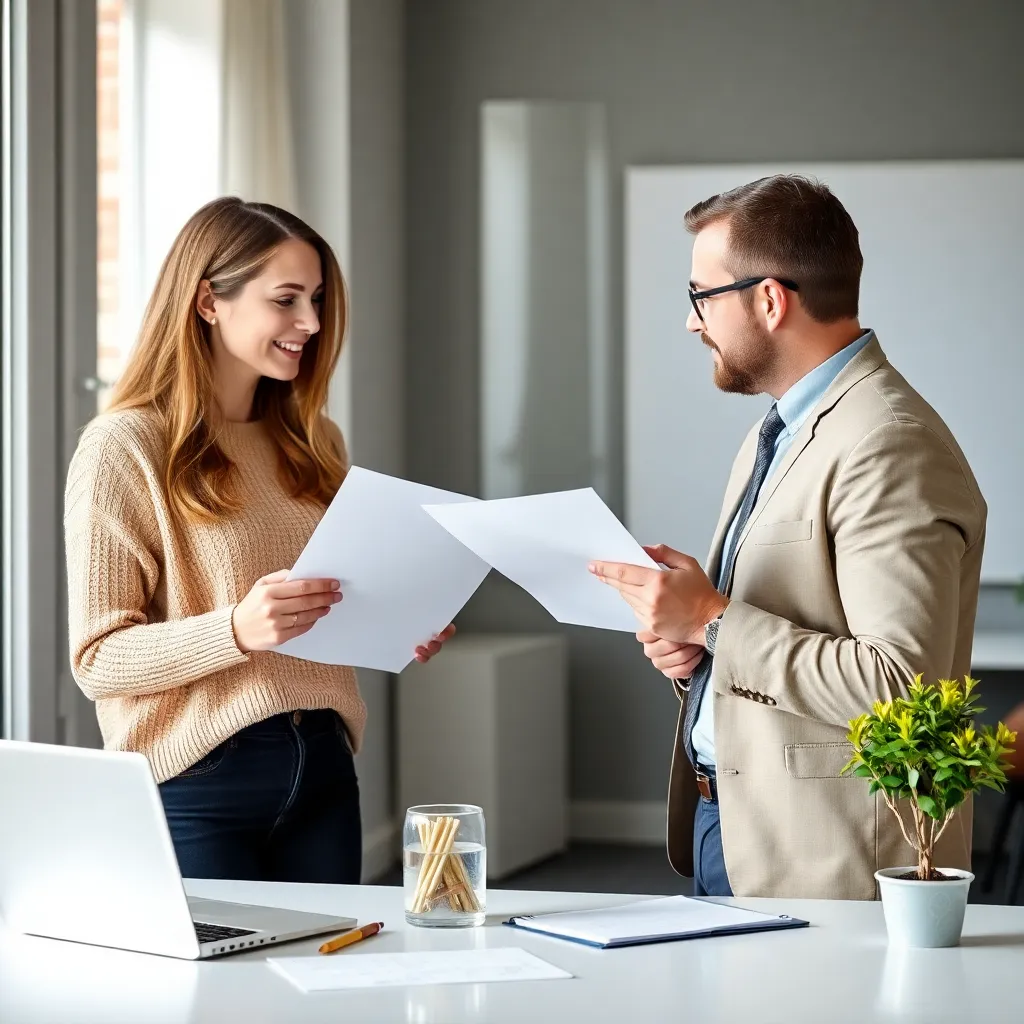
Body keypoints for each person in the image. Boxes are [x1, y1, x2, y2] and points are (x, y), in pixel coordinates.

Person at [589, 175, 986, 900]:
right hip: (733, 823)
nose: (690, 323)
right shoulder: (780, 429)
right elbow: (770, 631)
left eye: (699, 297)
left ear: (769, 300)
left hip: (819, 856)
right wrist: (693, 643)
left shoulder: (888, 442)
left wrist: (712, 618)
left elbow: (901, 690)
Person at [65, 197, 454, 884]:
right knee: (213, 991)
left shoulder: (313, 441)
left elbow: (325, 601)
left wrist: (396, 622)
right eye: (286, 299)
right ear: (210, 301)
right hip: (199, 781)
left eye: (317, 299)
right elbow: (98, 659)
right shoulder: (124, 447)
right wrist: (237, 629)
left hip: (324, 766)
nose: (311, 322)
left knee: (325, 982)